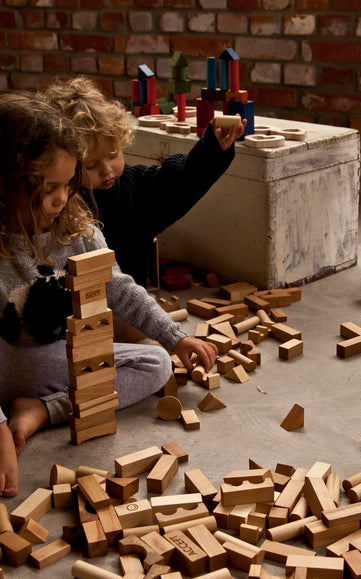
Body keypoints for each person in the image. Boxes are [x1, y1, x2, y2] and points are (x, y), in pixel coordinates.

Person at [0, 91, 218, 497]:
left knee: (155, 363)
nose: (61, 199)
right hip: (3, 366)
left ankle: (44, 410)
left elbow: (120, 288)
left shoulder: (78, 230)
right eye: (48, 188)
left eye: (68, 185)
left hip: (51, 362)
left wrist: (175, 336)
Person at [41, 75, 246, 288]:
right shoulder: (58, 204)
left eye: (113, 155)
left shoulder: (134, 188)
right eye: (90, 166)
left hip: (131, 309)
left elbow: (180, 183)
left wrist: (213, 149)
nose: (107, 171)